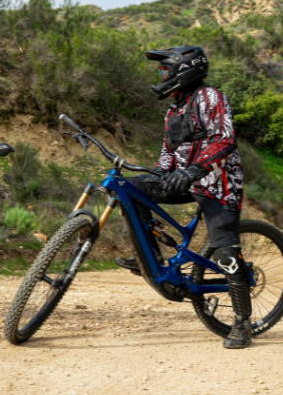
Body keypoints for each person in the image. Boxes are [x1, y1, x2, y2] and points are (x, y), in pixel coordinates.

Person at [113, 45, 251, 349]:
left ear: (185, 70)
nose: (162, 75)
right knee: (131, 189)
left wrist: (195, 170)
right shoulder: (174, 109)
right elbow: (168, 155)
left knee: (226, 253)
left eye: (166, 70)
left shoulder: (210, 97)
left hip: (219, 183)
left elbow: (224, 139)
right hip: (185, 180)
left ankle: (242, 322)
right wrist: (160, 174)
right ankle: (150, 258)